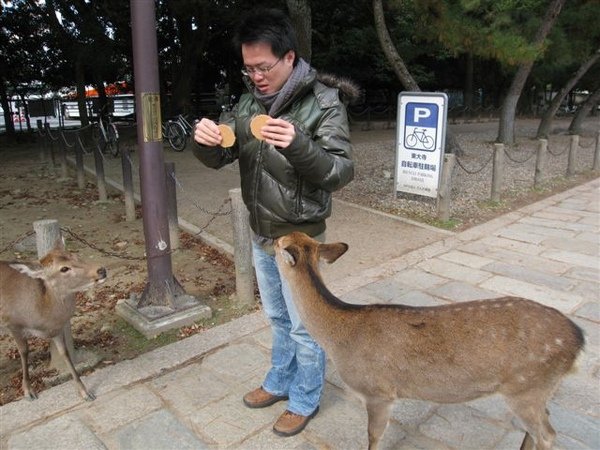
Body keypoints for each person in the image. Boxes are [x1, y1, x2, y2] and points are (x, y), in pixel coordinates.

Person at [193, 8, 358, 438]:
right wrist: (206, 142)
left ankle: (305, 397)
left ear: (289, 57)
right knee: (277, 317)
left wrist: (300, 145)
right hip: (260, 230)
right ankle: (279, 380)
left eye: (263, 67)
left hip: (300, 238)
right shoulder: (250, 100)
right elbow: (223, 152)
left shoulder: (323, 101)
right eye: (248, 69)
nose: (256, 77)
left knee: (306, 325)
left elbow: (340, 172)